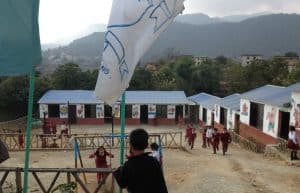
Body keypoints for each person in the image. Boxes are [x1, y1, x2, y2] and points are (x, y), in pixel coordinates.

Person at [113, 128, 168, 193]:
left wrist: (116, 172)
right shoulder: (154, 161)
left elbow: (122, 184)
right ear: (147, 145)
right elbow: (162, 185)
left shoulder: (128, 165)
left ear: (131, 145)